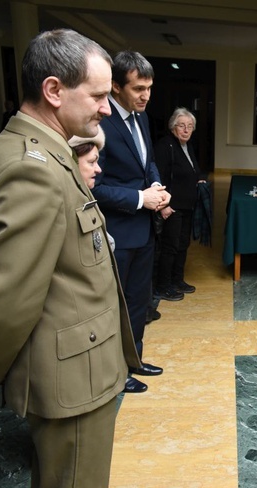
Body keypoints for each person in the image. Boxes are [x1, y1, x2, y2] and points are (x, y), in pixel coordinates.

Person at [0, 29, 140, 488]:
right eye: (99, 95)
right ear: (54, 90)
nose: (106, 108)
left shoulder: (38, 152)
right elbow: (8, 296)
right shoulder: (32, 169)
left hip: (74, 367)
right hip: (71, 381)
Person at [92, 51, 169, 393]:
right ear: (115, 87)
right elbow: (93, 185)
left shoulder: (142, 118)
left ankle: (134, 360)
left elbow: (147, 162)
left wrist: (155, 186)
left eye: (149, 88)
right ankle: (114, 373)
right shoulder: (100, 123)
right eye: (138, 88)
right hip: (115, 234)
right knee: (113, 308)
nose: (146, 95)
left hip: (143, 232)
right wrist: (140, 199)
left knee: (139, 301)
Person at [154, 107, 205, 300]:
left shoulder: (187, 146)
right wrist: (164, 205)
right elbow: (158, 177)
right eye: (181, 125)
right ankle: (163, 286)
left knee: (183, 244)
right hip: (172, 206)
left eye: (190, 126)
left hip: (187, 205)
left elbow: (194, 169)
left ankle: (177, 280)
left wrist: (199, 178)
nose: (186, 130)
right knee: (170, 246)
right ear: (173, 127)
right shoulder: (165, 146)